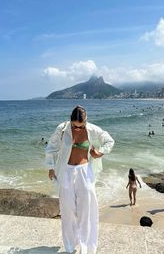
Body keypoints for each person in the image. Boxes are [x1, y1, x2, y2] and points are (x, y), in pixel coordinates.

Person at [45, 105, 114, 254]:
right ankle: (70, 247)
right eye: (74, 126)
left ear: (86, 121)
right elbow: (51, 147)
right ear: (70, 121)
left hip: (85, 172)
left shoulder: (93, 129)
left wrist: (100, 152)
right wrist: (50, 167)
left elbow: (109, 141)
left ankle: (86, 247)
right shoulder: (62, 129)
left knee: (87, 210)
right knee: (67, 210)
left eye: (81, 126)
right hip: (66, 172)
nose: (77, 129)